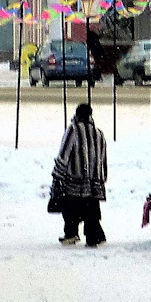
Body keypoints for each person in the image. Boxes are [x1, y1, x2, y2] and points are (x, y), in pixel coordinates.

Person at [50, 103, 108, 247]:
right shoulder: (99, 133)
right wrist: (101, 179)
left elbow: (64, 154)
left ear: (77, 115)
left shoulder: (73, 130)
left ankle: (71, 234)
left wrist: (58, 175)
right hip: (94, 181)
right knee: (91, 210)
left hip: (75, 180)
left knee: (70, 208)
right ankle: (93, 237)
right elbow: (103, 159)